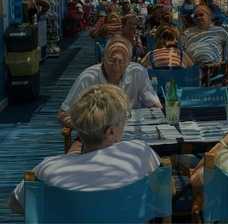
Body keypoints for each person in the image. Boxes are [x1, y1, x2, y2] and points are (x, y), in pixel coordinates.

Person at [10, 84, 160, 214]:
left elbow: (16, 205)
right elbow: (162, 191)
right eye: (124, 120)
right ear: (111, 132)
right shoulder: (139, 152)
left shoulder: (48, 169)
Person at [58, 35, 161, 127]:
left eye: (121, 61)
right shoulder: (88, 77)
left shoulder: (138, 72)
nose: (116, 66)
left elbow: (155, 105)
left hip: (131, 131)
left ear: (129, 62)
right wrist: (90, 126)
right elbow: (64, 114)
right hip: (98, 135)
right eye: (112, 60)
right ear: (103, 58)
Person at [181, 5, 228, 85]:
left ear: (209, 16)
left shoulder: (221, 32)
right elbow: (181, 53)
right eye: (195, 16)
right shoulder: (187, 33)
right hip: (192, 71)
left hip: (214, 70)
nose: (198, 18)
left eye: (201, 15)